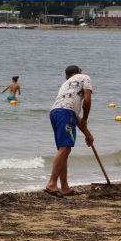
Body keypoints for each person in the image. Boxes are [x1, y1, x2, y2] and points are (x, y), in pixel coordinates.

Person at [45, 65, 94, 198]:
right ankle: (51, 183)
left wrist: (87, 135)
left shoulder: (65, 85)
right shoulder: (84, 78)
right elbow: (87, 100)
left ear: (67, 77)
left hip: (55, 112)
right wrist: (86, 117)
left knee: (63, 149)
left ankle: (65, 187)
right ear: (80, 72)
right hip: (65, 113)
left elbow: (74, 114)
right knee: (65, 148)